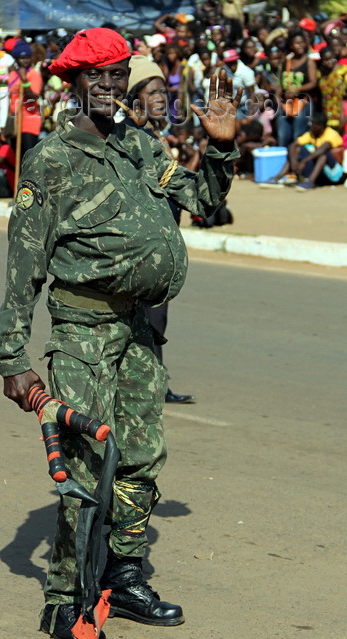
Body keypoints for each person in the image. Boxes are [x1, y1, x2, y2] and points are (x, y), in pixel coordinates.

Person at [0, 27, 240, 639]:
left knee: (140, 457)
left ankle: (124, 577)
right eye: (96, 75)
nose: (108, 85)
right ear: (75, 83)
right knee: (82, 468)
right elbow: (25, 265)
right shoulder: (51, 159)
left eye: (117, 74)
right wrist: (13, 357)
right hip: (82, 333)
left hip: (136, 333)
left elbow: (203, 200)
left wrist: (221, 151)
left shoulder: (139, 143)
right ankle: (64, 598)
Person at [125, 54, 196, 404]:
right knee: (148, 319)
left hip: (163, 244)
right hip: (141, 248)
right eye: (152, 92)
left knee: (157, 319)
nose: (162, 99)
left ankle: (157, 383)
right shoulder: (132, 139)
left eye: (164, 92)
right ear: (134, 96)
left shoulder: (154, 135)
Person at [260, 112, 343, 191]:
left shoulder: (331, 134)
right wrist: (294, 162)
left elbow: (322, 150)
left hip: (334, 175)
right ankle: (276, 178)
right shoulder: (312, 134)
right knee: (297, 150)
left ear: (320, 126)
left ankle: (310, 181)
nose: (309, 126)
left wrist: (304, 161)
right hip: (321, 173)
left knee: (323, 155)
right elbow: (293, 145)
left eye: (311, 123)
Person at [7, 40, 43, 159]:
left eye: (27, 57)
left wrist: (24, 81)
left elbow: (33, 97)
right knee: (17, 157)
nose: (25, 61)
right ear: (16, 59)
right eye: (22, 58)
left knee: (28, 157)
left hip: (29, 120)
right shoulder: (12, 74)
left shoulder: (34, 74)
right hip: (15, 121)